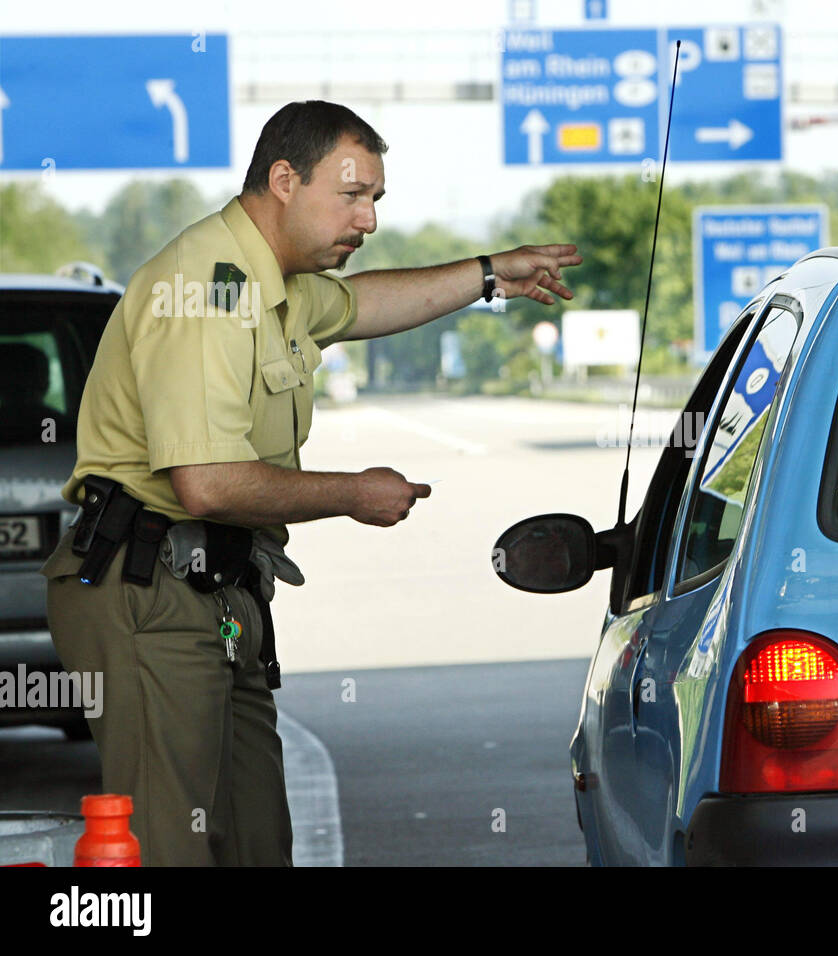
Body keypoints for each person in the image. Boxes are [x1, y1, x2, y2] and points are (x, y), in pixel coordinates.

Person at [39, 100, 581, 866]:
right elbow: (206, 483)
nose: (367, 221)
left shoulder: (280, 283)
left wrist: (494, 273)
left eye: (376, 201)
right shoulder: (210, 287)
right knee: (172, 845)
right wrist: (353, 493)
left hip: (219, 590)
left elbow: (369, 302)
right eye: (352, 195)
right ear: (284, 179)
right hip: (147, 590)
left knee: (257, 841)